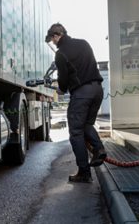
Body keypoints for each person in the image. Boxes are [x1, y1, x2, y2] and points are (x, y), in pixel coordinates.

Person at [45, 23, 107, 183]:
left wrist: (61, 89)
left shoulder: (61, 54)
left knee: (76, 133)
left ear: (56, 35)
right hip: (97, 90)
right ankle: (99, 149)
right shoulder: (84, 43)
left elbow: (64, 82)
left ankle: (84, 172)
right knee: (86, 125)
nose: (53, 43)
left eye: (52, 40)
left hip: (82, 94)